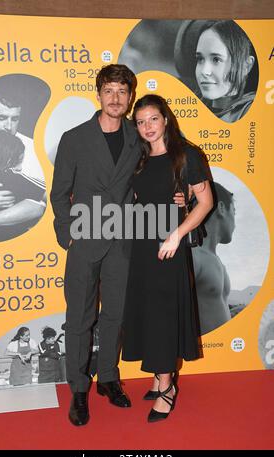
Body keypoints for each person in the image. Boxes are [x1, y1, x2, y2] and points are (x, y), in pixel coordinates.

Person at [51, 64, 186, 427]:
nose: (115, 98)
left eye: (122, 92)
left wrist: (179, 193)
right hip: (85, 236)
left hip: (125, 238)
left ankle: (108, 378)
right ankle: (79, 389)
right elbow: (60, 193)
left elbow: (166, 163)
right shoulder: (74, 138)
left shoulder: (137, 134)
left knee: (115, 314)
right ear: (98, 94)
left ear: (129, 97)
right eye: (109, 91)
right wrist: (67, 234)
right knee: (79, 317)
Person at [122, 94, 213, 423]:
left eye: (153, 119)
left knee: (162, 313)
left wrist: (176, 233)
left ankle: (166, 386)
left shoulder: (186, 155)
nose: (147, 127)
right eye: (141, 121)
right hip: (141, 244)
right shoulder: (139, 156)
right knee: (147, 311)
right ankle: (158, 375)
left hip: (168, 245)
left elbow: (205, 203)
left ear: (166, 120)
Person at [0, 85, 46, 239]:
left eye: (14, 119)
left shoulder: (36, 150)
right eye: (1, 118)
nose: (8, 126)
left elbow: (43, 202)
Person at [0, 130, 46, 242]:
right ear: (8, 159)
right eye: (20, 161)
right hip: (15, 245)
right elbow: (53, 193)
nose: (20, 168)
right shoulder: (13, 177)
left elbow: (38, 207)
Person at [192, 182, 236, 335]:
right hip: (203, 356)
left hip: (224, 352)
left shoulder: (217, 262)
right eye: (234, 212)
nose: (234, 224)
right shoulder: (193, 256)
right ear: (222, 209)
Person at [195, 20, 256, 122]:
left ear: (246, 66)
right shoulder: (191, 105)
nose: (204, 71)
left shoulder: (252, 111)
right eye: (200, 59)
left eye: (216, 59)